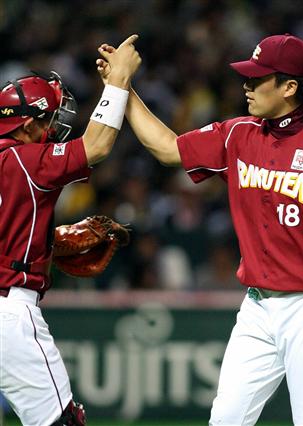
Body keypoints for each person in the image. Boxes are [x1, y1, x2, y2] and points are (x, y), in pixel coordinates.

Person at [98, 33, 303, 426]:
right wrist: (122, 87)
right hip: (258, 307)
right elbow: (168, 149)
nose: (246, 86)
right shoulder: (238, 133)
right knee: (226, 418)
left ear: (289, 87)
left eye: (257, 79)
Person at [0, 35, 141, 426]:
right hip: (9, 310)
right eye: (49, 119)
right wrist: (119, 81)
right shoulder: (27, 161)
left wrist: (45, 242)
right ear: (27, 124)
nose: (55, 126)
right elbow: (96, 145)